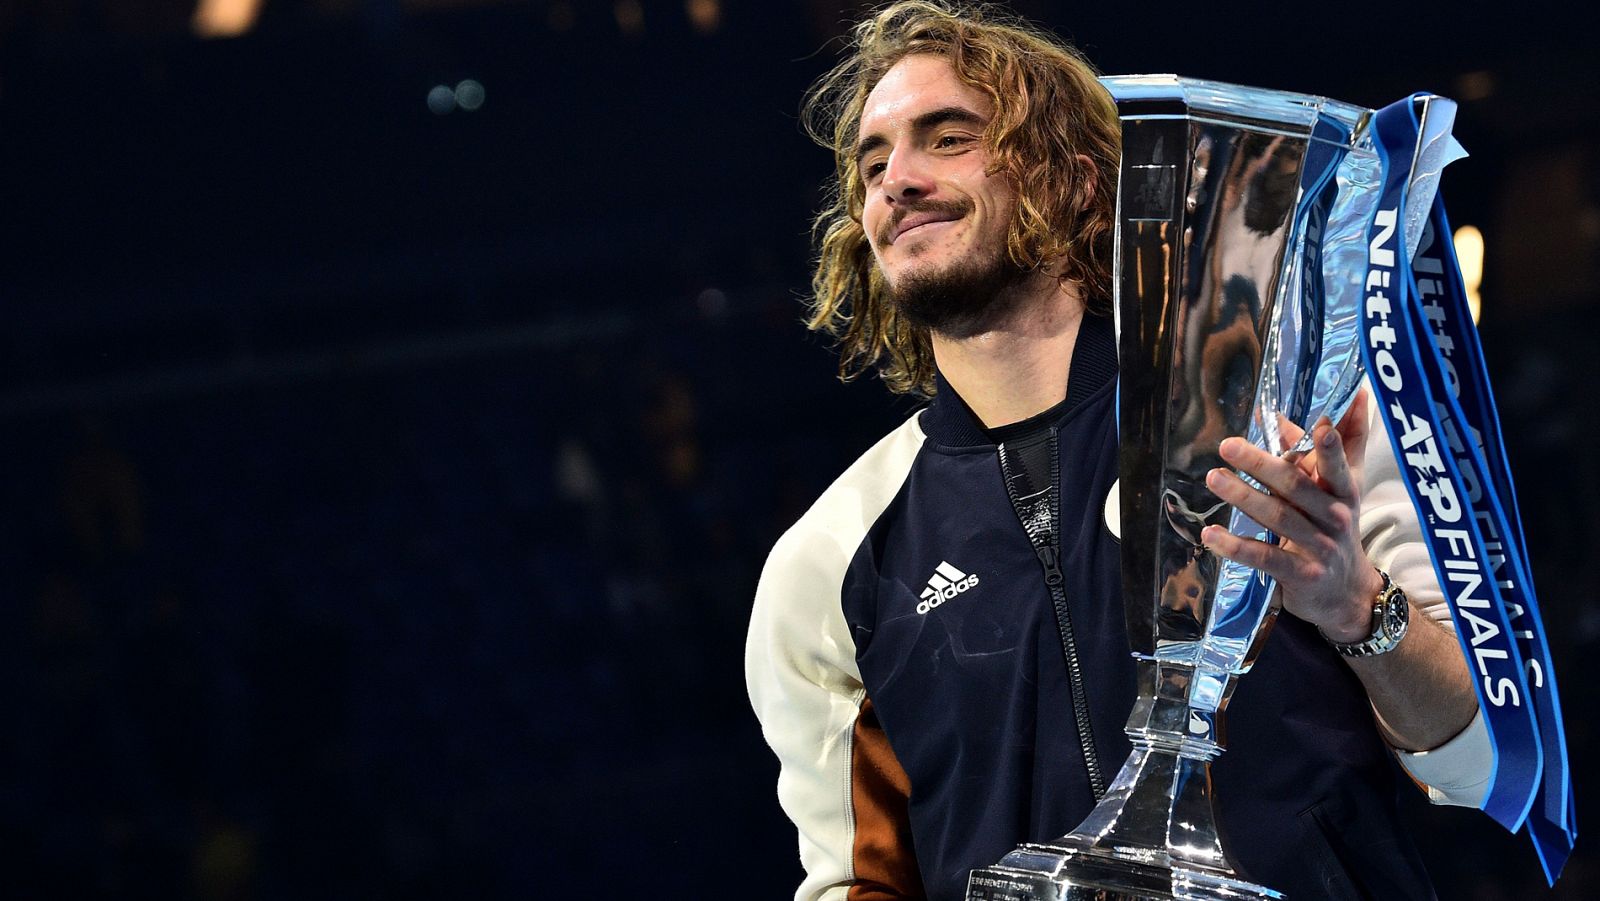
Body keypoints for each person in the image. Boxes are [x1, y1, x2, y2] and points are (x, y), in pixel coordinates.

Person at [746, 3, 1490, 899]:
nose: (896, 179)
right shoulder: (827, 560)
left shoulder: (1289, 429)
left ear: (1078, 179)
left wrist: (1355, 606)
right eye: (872, 163)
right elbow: (858, 884)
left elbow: (1476, 761)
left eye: (947, 138)